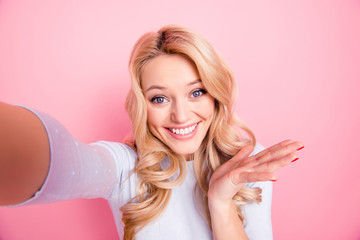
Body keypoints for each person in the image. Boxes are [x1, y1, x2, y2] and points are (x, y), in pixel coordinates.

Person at [0, 25, 303, 240]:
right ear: (142, 104)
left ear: (215, 94)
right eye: (159, 98)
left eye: (196, 93)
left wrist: (221, 202)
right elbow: (69, 162)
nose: (181, 115)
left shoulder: (247, 165)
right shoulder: (125, 167)